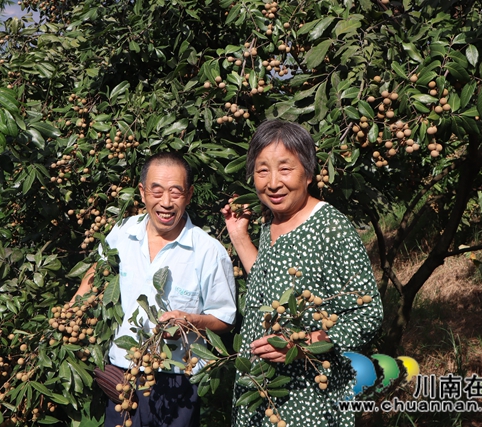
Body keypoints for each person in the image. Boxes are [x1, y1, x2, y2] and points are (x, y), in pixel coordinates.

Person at [221, 120, 383, 427]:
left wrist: (304, 344)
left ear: (308, 173)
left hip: (308, 400)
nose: (272, 182)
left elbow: (368, 313)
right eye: (262, 170)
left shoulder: (329, 228)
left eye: (285, 169)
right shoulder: (270, 222)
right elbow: (272, 285)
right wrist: (240, 237)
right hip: (261, 394)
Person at [73, 152, 237, 427]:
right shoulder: (123, 232)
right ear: (142, 192)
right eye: (156, 191)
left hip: (176, 380)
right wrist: (72, 312)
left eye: (176, 192)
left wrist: (191, 320)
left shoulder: (208, 250)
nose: (166, 202)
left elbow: (224, 319)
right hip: (123, 374)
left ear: (189, 195)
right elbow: (95, 273)